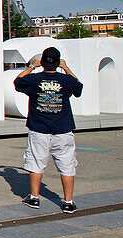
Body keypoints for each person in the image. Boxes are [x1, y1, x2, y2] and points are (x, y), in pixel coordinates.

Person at [13, 46, 84, 213]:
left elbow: (17, 82)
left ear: (42, 62)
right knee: (67, 165)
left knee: (36, 163)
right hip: (63, 129)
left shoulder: (35, 79)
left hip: (39, 129)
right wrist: (66, 68)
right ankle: (68, 201)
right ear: (58, 62)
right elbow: (78, 88)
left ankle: (34, 198)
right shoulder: (66, 80)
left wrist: (32, 67)